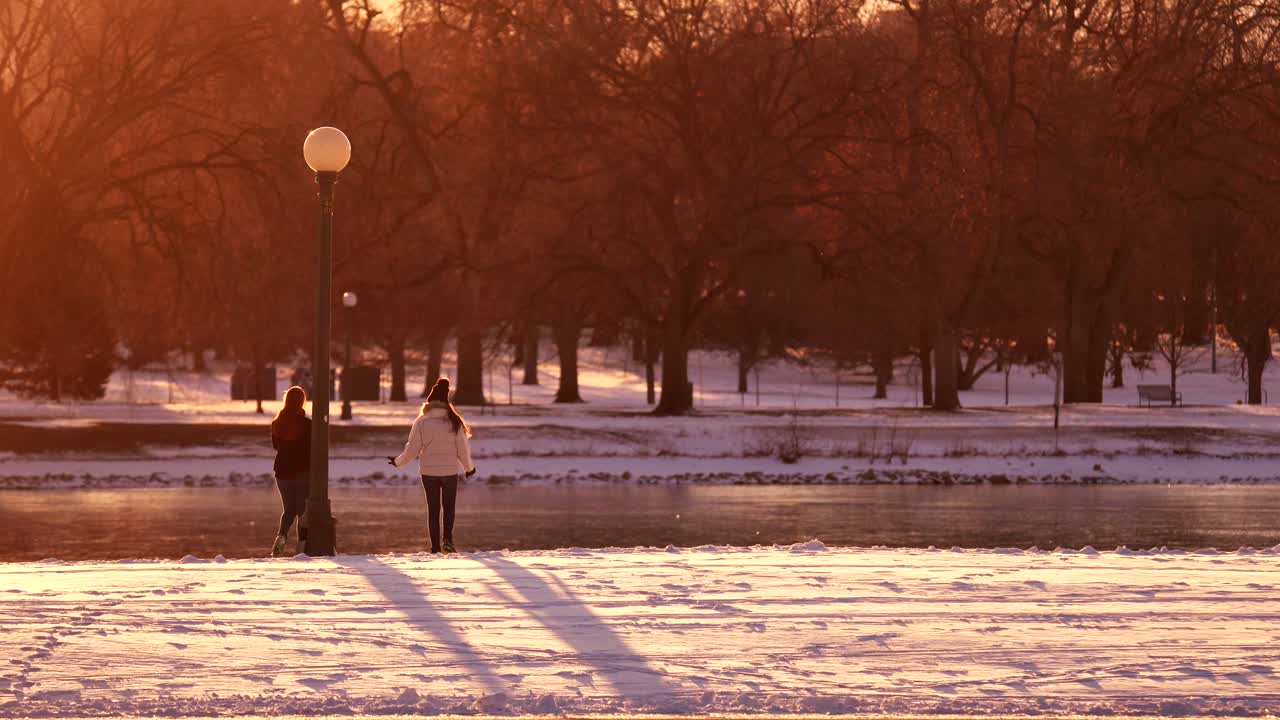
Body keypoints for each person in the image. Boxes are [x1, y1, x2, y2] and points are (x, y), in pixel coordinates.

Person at [387, 378, 477, 553]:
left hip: (428, 473)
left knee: (433, 510)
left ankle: (435, 547)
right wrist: (469, 468)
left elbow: (412, 448)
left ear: (429, 401)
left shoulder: (421, 422)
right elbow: (462, 449)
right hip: (449, 472)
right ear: (446, 402)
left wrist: (398, 462)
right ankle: (447, 541)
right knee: (449, 508)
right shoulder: (454, 421)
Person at [270, 385, 312, 557]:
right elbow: (311, 449)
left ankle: (280, 543)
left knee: (288, 510)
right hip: (301, 471)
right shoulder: (307, 425)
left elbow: (276, 447)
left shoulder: (277, 423)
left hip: (282, 472)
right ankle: (303, 546)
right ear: (302, 402)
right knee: (302, 510)